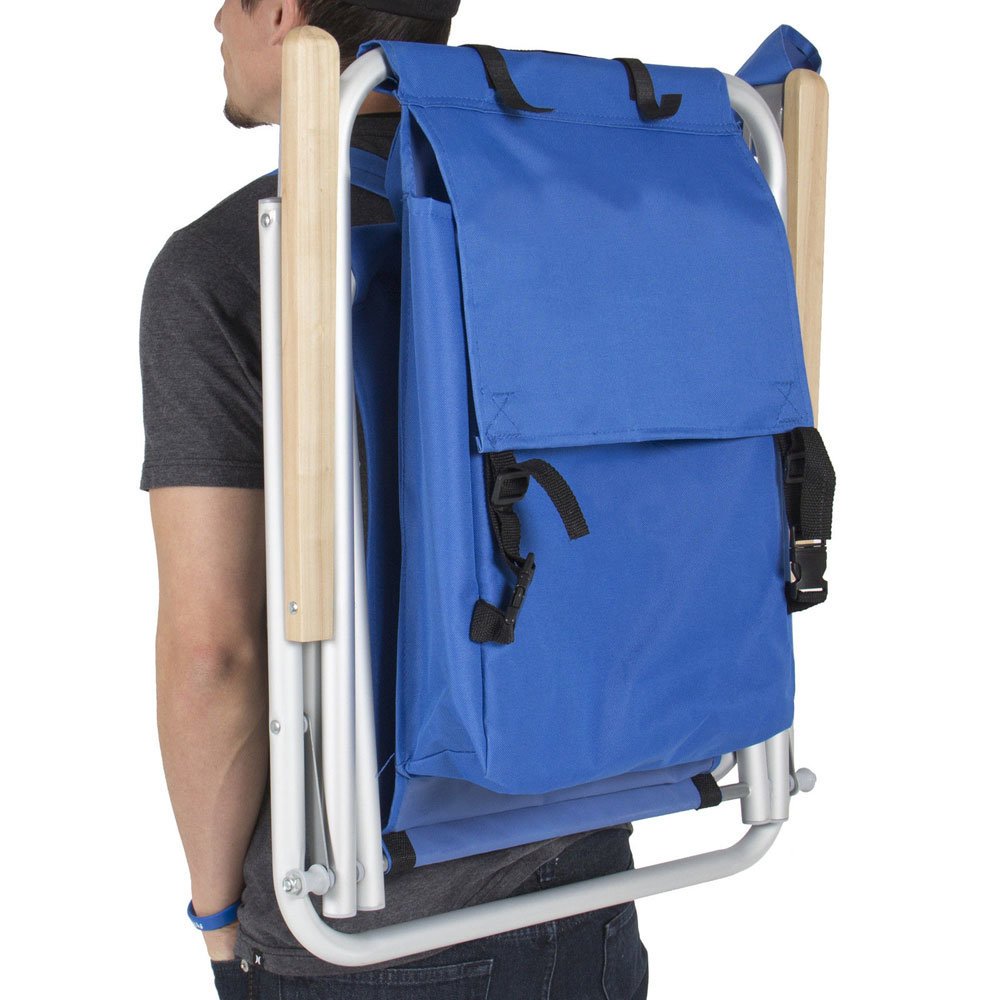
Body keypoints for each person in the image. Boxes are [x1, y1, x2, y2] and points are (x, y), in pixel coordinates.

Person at [139, 2, 649, 997]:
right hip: (589, 870)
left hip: (366, 934)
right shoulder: (571, 224)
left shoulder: (229, 264)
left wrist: (216, 920)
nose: (214, 18)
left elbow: (213, 653)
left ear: (281, 13)